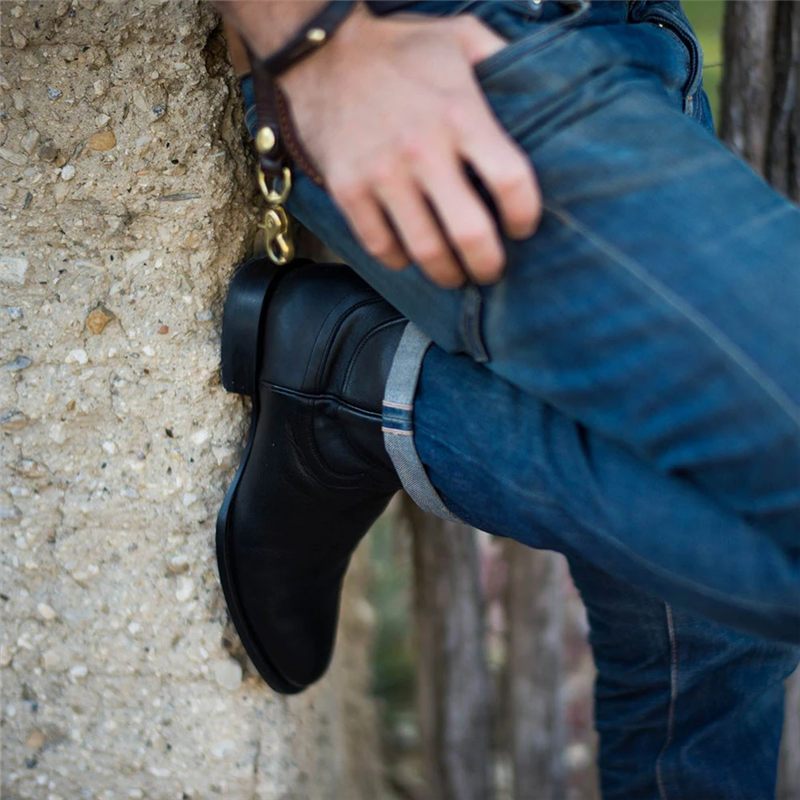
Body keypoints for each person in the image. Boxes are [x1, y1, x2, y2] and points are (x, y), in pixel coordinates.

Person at [214, 2, 800, 797]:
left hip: (638, 47)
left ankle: (379, 389)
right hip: (451, 51)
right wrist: (315, 40)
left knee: (711, 647)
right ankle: (362, 387)